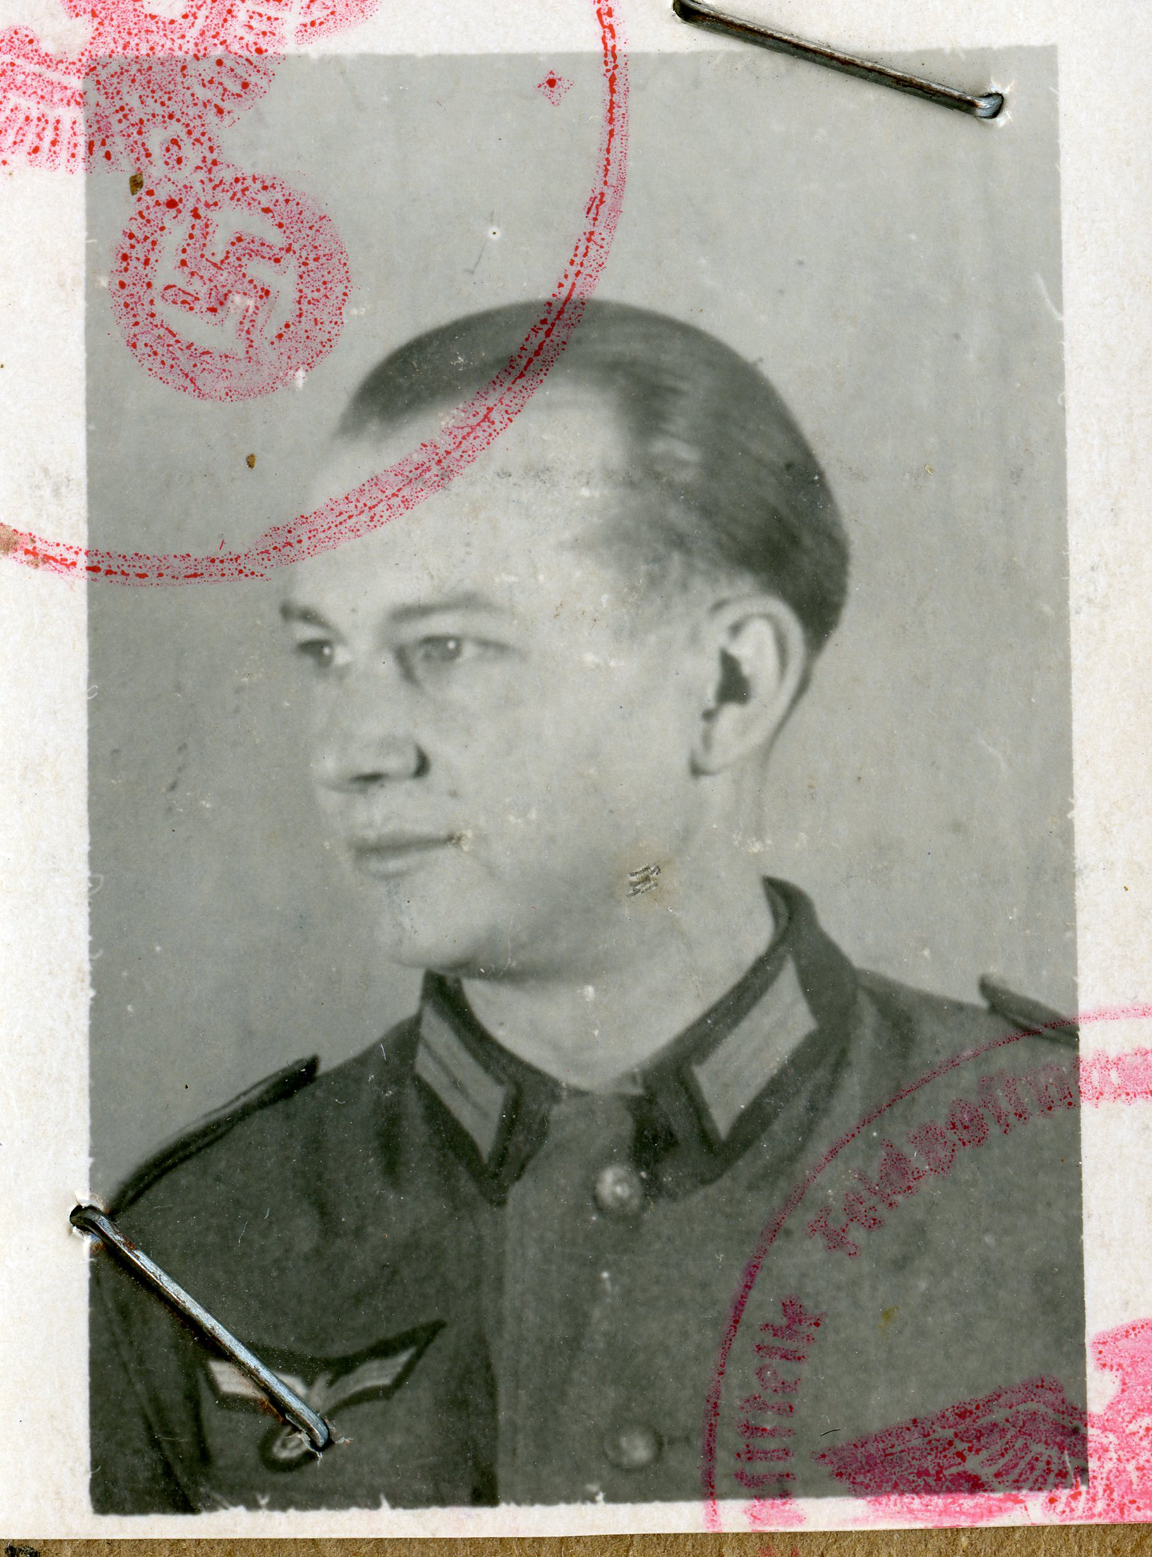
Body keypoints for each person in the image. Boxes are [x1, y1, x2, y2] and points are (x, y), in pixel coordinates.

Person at [90, 300, 1085, 1513]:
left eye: (446, 649)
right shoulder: (194, 1247)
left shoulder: (1075, 1177)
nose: (348, 752)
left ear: (728, 685)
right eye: (325, 655)